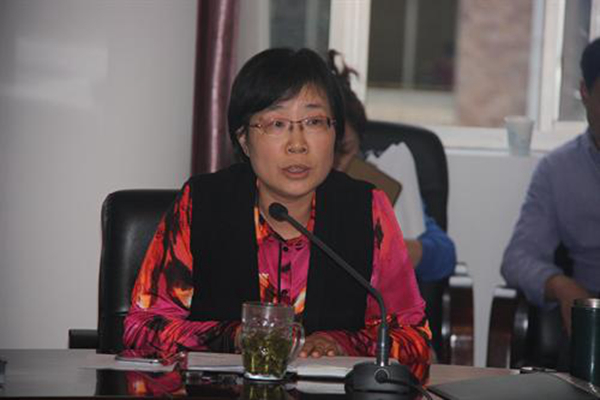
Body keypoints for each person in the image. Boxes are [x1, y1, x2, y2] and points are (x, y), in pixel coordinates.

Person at [123, 48, 431, 383]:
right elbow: (142, 328)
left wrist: (339, 343)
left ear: (335, 134)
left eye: (314, 122)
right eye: (276, 124)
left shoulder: (367, 208)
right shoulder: (202, 203)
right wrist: (236, 336)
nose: (297, 144)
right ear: (244, 139)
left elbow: (413, 337)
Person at [329, 50, 456, 285]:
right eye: (327, 151)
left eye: (344, 150)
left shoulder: (382, 176)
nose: (336, 164)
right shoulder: (294, 184)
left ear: (360, 143)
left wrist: (388, 250)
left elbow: (444, 255)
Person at [501, 37, 600, 336]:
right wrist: (561, 286)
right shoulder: (558, 170)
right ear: (585, 92)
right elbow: (517, 258)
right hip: (592, 315)